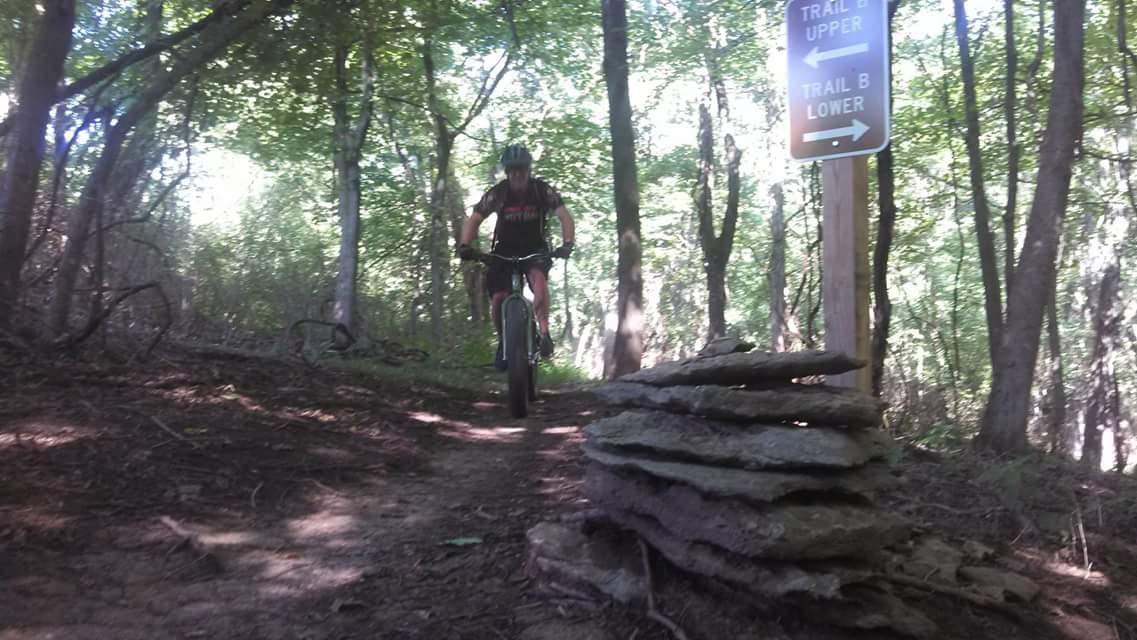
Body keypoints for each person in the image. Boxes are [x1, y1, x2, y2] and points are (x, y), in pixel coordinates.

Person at [457, 144, 575, 370]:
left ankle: (544, 333)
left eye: (521, 169)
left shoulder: (542, 190)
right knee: (499, 298)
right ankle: (504, 342)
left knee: (538, 281)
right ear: (507, 172)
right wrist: (465, 245)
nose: (517, 174)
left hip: (535, 248)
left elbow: (564, 216)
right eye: (512, 170)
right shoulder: (498, 193)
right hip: (503, 250)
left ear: (528, 170)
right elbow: (474, 219)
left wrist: (567, 243)